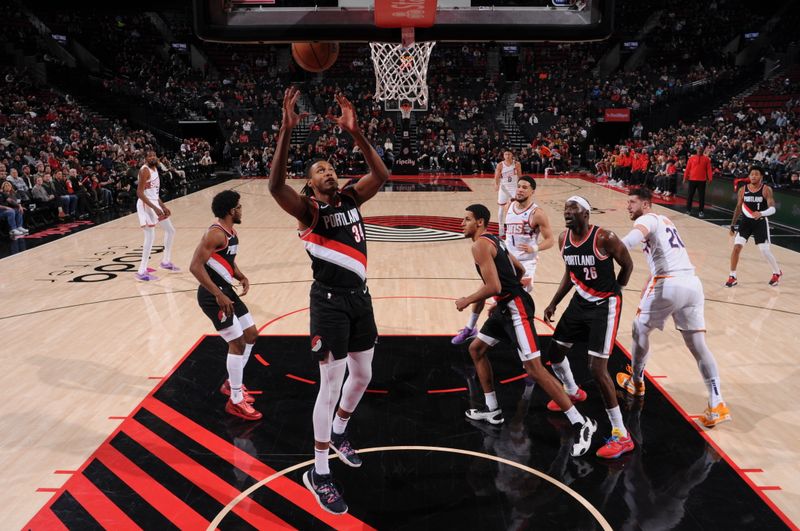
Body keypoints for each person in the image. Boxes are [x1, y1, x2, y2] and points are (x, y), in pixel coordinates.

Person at [268, 87, 389, 515]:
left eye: (331, 167)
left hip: (360, 300)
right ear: (310, 183)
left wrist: (357, 133)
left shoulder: (352, 198)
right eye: (320, 169)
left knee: (363, 375)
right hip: (329, 303)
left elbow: (383, 175)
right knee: (331, 384)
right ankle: (319, 473)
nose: (328, 172)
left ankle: (339, 431)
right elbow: (275, 185)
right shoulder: (308, 212)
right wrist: (286, 132)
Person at [455, 203, 597, 458]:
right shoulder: (494, 240)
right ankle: (493, 410)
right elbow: (518, 270)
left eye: (466, 219)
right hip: (507, 306)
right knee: (476, 349)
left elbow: (494, 286)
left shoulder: (479, 246)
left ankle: (581, 423)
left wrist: (467, 300)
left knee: (535, 369)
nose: (461, 224)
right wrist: (506, 295)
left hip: (514, 308)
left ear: (479, 222)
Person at [618, 188, 729, 427]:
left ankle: (636, 382)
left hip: (668, 284)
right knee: (699, 346)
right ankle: (717, 402)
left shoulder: (646, 218)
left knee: (639, 329)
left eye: (633, 202)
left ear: (646, 204)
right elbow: (668, 254)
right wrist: (650, 278)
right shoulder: (666, 221)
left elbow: (629, 241)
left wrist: (604, 249)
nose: (628, 206)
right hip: (691, 284)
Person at [543, 196, 635, 459]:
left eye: (573, 209)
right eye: (565, 210)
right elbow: (570, 274)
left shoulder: (605, 238)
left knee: (597, 368)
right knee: (555, 354)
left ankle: (621, 434)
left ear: (586, 214)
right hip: (579, 302)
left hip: (604, 305)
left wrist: (617, 288)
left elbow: (627, 264)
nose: (567, 213)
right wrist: (553, 302)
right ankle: (573, 392)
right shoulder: (563, 240)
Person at [451, 175, 554, 345]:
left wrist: (534, 248)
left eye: (525, 187)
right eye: (519, 186)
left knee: (517, 310)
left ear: (532, 191)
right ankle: (470, 328)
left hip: (525, 265)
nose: (520, 189)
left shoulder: (538, 214)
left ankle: (527, 348)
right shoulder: (509, 206)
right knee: (483, 291)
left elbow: (550, 239)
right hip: (506, 258)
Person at [189, 190, 261, 421]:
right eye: (239, 206)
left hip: (226, 291)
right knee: (237, 342)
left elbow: (227, 261)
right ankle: (236, 401)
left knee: (251, 334)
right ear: (231, 211)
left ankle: (232, 384)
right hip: (213, 296)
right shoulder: (215, 234)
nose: (241, 209)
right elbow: (195, 266)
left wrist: (240, 276)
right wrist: (218, 294)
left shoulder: (230, 233)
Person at [725, 166, 782, 287]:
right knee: (736, 248)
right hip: (745, 222)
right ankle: (732, 276)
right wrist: (732, 224)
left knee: (764, 250)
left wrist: (761, 213)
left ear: (761, 176)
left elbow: (772, 209)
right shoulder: (742, 189)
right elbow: (739, 207)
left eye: (756, 174)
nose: (753, 176)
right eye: (751, 174)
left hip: (760, 222)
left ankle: (777, 272)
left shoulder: (766, 189)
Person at [135, 150, 179, 281]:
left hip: (154, 203)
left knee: (170, 231)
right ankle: (141, 271)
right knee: (150, 236)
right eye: (149, 156)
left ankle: (165, 262)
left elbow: (154, 193)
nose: (152, 157)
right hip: (145, 205)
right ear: (145, 158)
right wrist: (154, 208)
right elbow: (140, 193)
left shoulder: (155, 169)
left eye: (154, 155)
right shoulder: (145, 170)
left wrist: (163, 206)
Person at [494, 149, 521, 237]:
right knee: (501, 208)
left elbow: (520, 176)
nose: (507, 156)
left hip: (514, 188)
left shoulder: (516, 164)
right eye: (506, 154)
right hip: (503, 188)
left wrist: (521, 186)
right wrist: (496, 184)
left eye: (509, 154)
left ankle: (515, 227)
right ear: (503, 155)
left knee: (516, 207)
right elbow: (497, 176)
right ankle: (501, 228)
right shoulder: (500, 165)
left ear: (512, 155)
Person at [683, 145, 712, 218]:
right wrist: (685, 178)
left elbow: (709, 170)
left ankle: (701, 211)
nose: (699, 150)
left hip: (702, 181)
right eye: (698, 149)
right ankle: (688, 210)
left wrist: (710, 179)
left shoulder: (706, 159)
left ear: (703, 150)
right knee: (690, 196)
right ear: (696, 150)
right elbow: (687, 169)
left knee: (701, 197)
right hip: (692, 179)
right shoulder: (691, 158)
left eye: (701, 149)